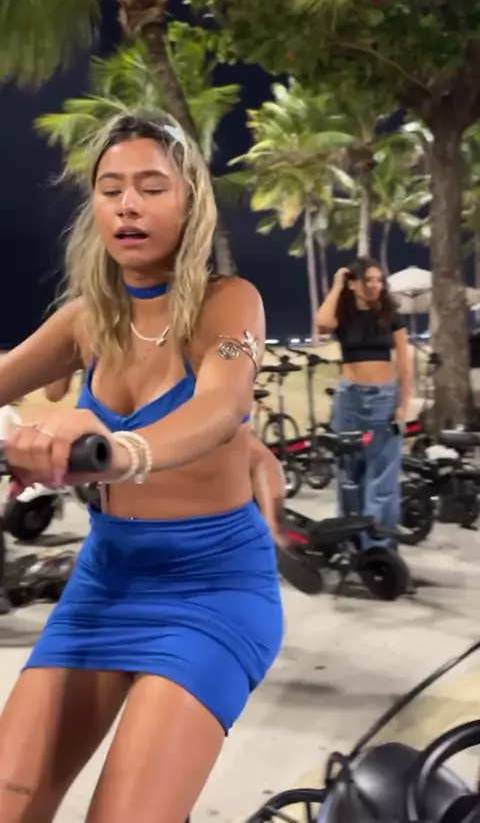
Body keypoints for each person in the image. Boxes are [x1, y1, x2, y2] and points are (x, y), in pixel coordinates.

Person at [0, 110, 284, 823]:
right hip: (106, 580)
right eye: (111, 189)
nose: (128, 204)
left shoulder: (230, 307)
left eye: (152, 188)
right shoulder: (87, 319)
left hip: (211, 590)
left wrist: (120, 451)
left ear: (190, 202)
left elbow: (221, 404)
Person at [316, 258, 411, 533]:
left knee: (382, 474)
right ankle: (350, 538)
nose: (375, 285)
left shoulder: (390, 314)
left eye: (379, 280)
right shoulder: (343, 315)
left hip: (384, 398)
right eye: (368, 279)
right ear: (353, 283)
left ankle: (378, 543)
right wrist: (337, 285)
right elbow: (322, 324)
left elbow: (404, 366)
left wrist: (403, 405)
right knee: (349, 471)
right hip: (350, 399)